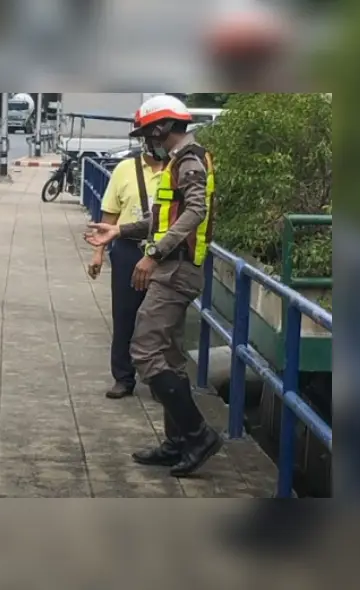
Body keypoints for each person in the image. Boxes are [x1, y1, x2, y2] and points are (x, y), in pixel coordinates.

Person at [84, 95, 221, 477]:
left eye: (147, 132)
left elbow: (196, 212)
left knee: (144, 350)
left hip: (175, 270)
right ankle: (177, 442)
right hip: (174, 267)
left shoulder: (188, 160)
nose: (147, 140)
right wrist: (119, 231)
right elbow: (163, 216)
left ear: (162, 128)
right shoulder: (182, 159)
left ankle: (197, 436)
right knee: (171, 355)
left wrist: (154, 254)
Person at [88, 127, 166, 400]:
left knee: (162, 321)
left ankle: (160, 381)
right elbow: (109, 216)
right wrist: (98, 252)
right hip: (127, 252)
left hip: (164, 254)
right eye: (153, 139)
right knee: (124, 316)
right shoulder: (124, 169)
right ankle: (123, 377)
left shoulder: (178, 169)